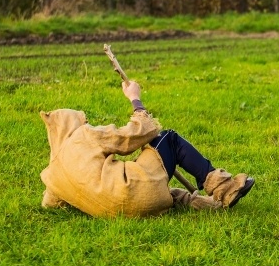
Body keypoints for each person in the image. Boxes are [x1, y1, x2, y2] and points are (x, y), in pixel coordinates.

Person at [39, 80, 255, 217]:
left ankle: (206, 206)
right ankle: (225, 189)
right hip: (135, 192)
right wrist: (135, 99)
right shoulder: (83, 135)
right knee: (168, 139)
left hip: (119, 213)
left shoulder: (52, 174)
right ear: (73, 124)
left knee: (153, 190)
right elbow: (140, 132)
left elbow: (49, 204)